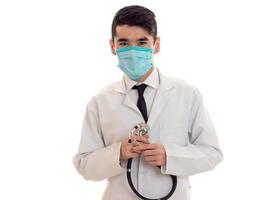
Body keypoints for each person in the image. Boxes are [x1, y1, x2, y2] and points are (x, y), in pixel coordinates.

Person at [72, 5, 223, 200]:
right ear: (112, 46)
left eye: (142, 42)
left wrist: (169, 155)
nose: (133, 51)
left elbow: (212, 154)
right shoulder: (100, 102)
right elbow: (84, 166)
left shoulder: (187, 94)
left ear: (156, 44)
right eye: (124, 43)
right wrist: (118, 152)